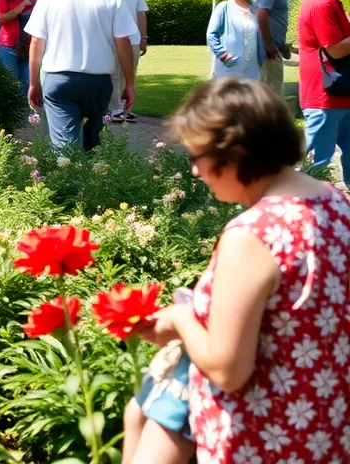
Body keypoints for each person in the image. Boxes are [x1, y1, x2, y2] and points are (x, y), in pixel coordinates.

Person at [125, 76, 350, 464]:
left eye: (198, 158)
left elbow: (229, 371)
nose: (195, 172)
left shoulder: (251, 237)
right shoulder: (333, 201)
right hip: (322, 425)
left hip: (263, 437)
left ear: (236, 154)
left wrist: (180, 318)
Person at [25, 0, 138, 151]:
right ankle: (91, 171)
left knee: (64, 149)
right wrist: (129, 83)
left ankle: (68, 177)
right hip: (98, 83)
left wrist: (33, 82)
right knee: (92, 142)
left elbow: (37, 40)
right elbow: (123, 42)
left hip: (59, 80)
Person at [297, 0, 350, 170]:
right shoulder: (321, 2)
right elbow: (336, 49)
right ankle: (285, 197)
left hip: (339, 92)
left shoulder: (330, 0)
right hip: (325, 96)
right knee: (318, 161)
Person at [106, 0, 149, 122]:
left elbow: (141, 13)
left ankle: (127, 109)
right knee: (114, 73)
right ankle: (115, 109)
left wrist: (144, 37)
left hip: (133, 38)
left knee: (130, 74)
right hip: (113, 38)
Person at [206, 0, 264, 82]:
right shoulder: (224, 7)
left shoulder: (256, 8)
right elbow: (211, 35)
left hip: (252, 69)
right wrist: (223, 55)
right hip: (229, 67)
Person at [256, 0, 300, 98]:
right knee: (271, 92)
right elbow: (261, 15)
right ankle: (267, 120)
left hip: (274, 47)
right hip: (269, 49)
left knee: (272, 89)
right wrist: (269, 45)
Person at [0, 0, 36, 97]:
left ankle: (23, 114)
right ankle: (12, 113)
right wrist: (20, 7)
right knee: (12, 81)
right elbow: (1, 19)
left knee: (26, 80)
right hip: (7, 45)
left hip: (26, 45)